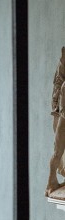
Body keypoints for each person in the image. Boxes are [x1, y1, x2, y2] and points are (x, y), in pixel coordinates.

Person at [45, 46, 65, 197]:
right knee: (57, 151)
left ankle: (53, 180)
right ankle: (51, 182)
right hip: (62, 116)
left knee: (57, 151)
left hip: (60, 114)